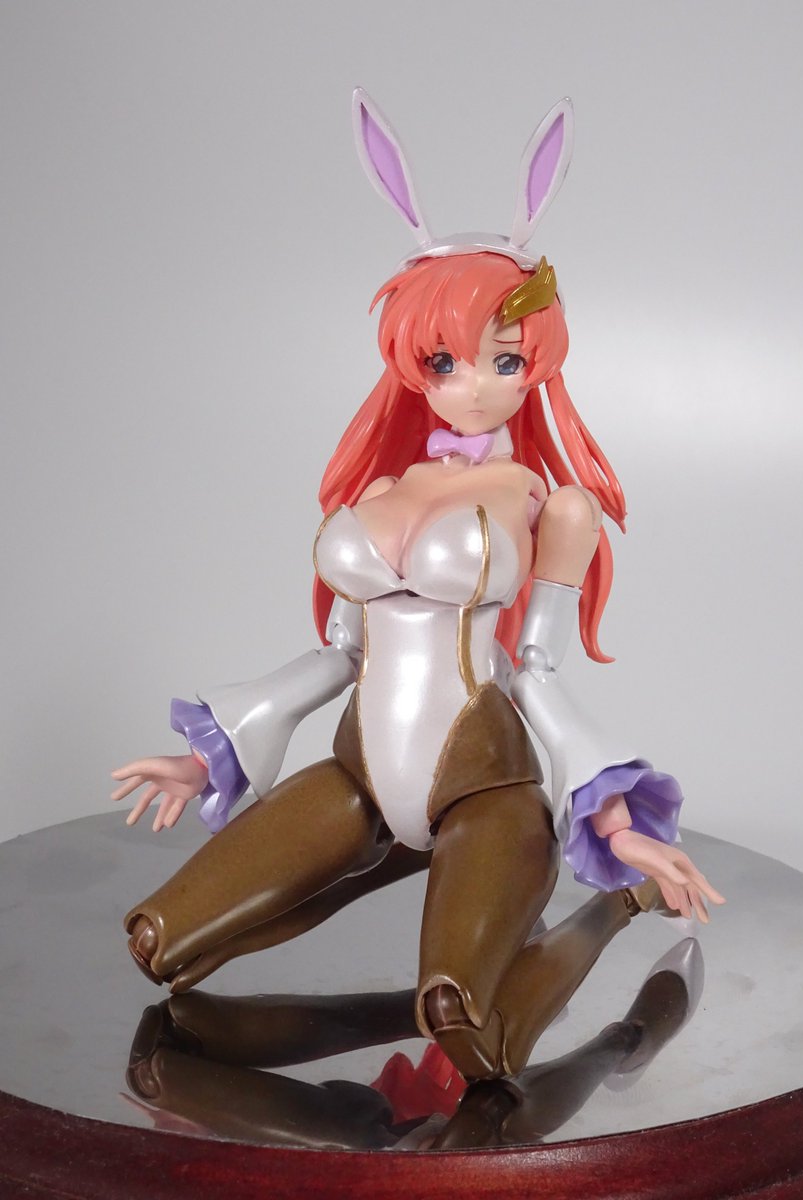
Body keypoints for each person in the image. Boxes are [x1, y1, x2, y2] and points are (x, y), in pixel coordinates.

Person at [111, 91, 722, 1081]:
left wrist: (615, 829)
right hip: (360, 779)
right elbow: (340, 656)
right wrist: (208, 755)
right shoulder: (380, 489)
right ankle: (392, 876)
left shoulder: (548, 505)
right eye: (444, 359)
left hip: (481, 792)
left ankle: (613, 910)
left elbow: (534, 674)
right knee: (155, 942)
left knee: (461, 1022)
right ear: (414, 364)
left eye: (503, 359)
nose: (472, 383)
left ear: (535, 365)